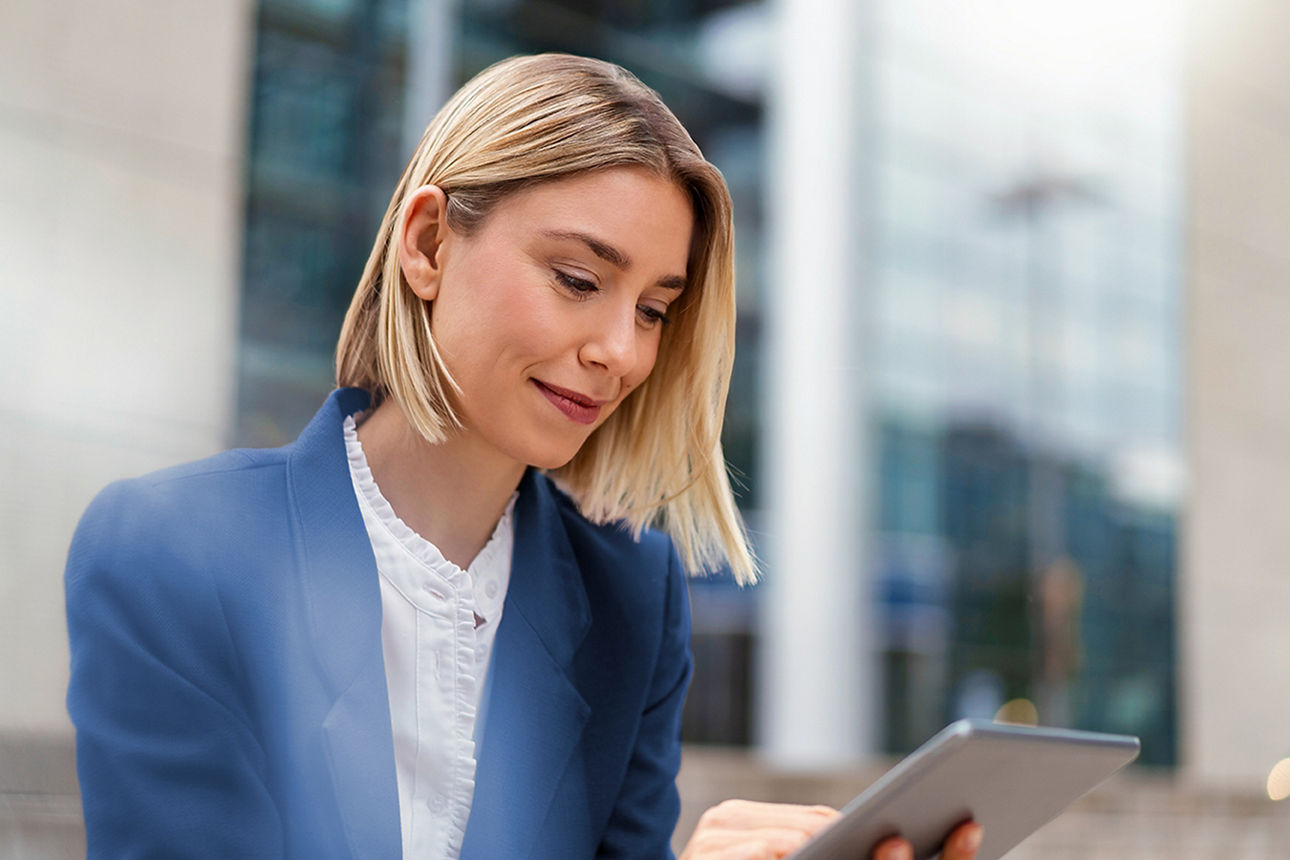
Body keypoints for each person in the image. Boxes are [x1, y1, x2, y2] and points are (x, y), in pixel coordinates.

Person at [64, 53, 982, 860]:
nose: (622, 351)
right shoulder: (175, 551)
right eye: (578, 280)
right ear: (428, 245)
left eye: (655, 309)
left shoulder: (631, 596)